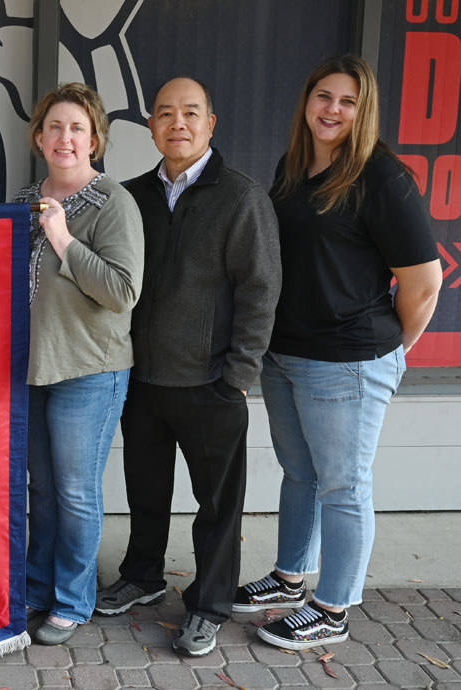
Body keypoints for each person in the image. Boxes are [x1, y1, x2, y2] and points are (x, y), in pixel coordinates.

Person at [235, 55, 441, 650]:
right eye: (324, 96)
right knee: (301, 474)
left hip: (348, 360)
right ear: (307, 101)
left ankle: (334, 606)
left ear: (363, 110)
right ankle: (289, 578)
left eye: (347, 101)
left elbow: (424, 284)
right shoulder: (295, 167)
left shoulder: (383, 177)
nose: (332, 109)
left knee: (344, 486)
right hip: (287, 353)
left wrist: (389, 355)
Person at [93, 77, 281, 657]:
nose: (178, 123)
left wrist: (238, 376)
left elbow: (261, 290)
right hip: (141, 379)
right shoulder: (127, 196)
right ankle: (144, 576)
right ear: (150, 126)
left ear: (210, 123)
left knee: (218, 505)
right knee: (146, 490)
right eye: (165, 114)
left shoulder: (241, 197)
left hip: (211, 385)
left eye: (190, 113)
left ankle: (208, 604)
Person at [13, 83, 143, 645]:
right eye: (55, 127)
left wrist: (63, 239)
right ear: (39, 136)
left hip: (89, 371)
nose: (65, 138)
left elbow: (122, 291)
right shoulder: (22, 199)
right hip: (31, 369)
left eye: (77, 128)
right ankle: (37, 589)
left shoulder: (113, 201)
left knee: (75, 492)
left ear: (94, 139)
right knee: (39, 490)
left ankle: (72, 600)